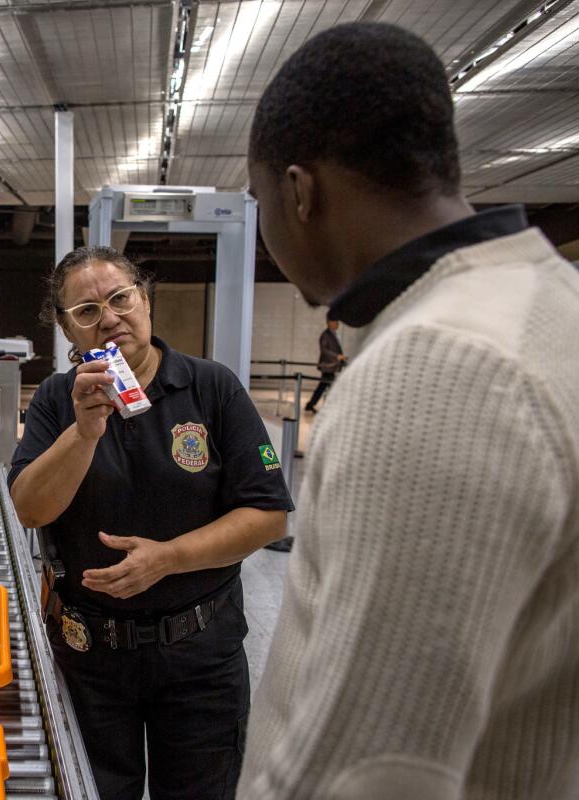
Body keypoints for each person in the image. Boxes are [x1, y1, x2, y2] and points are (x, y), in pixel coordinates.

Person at [240, 22, 579, 799]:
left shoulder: (441, 370)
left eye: (260, 199)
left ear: (299, 191)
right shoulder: (549, 303)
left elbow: (368, 773)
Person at [9, 246, 292, 799]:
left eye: (120, 298)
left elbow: (268, 514)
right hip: (89, 656)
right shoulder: (55, 400)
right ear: (68, 328)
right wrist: (84, 431)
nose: (110, 318)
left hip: (199, 655)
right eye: (87, 311)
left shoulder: (211, 387)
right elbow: (30, 508)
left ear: (145, 298)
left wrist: (168, 558)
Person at [303, 312, 345, 413]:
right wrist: (337, 356)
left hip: (331, 366)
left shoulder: (332, 334)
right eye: (336, 322)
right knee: (329, 386)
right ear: (330, 323)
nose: (337, 324)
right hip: (328, 366)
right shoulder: (325, 335)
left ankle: (311, 405)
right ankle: (314, 405)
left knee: (324, 386)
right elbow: (324, 350)